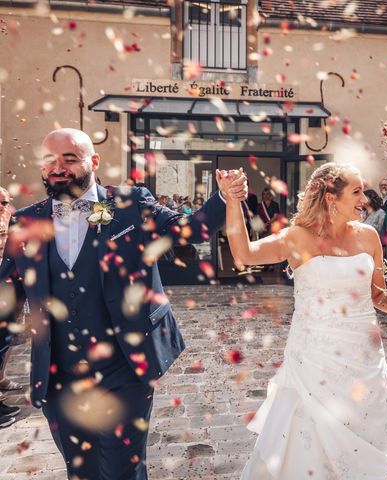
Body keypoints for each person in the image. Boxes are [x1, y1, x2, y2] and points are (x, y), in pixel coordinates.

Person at [0, 128, 247, 479]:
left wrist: (223, 199)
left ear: (93, 162)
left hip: (123, 369)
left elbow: (189, 231)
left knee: (122, 471)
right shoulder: (25, 221)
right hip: (58, 376)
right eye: (50, 160)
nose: (59, 167)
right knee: (79, 470)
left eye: (70, 159)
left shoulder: (130, 205)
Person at [218, 162, 387, 479]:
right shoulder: (297, 237)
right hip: (313, 364)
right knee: (309, 445)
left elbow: (378, 296)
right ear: (330, 198)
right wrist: (232, 201)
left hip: (365, 363)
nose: (363, 199)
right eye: (355, 191)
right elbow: (244, 253)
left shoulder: (369, 237)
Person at [0, 186, 21, 428]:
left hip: (7, 288)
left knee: (6, 339)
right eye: (1, 203)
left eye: (6, 202)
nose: (4, 207)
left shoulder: (12, 218)